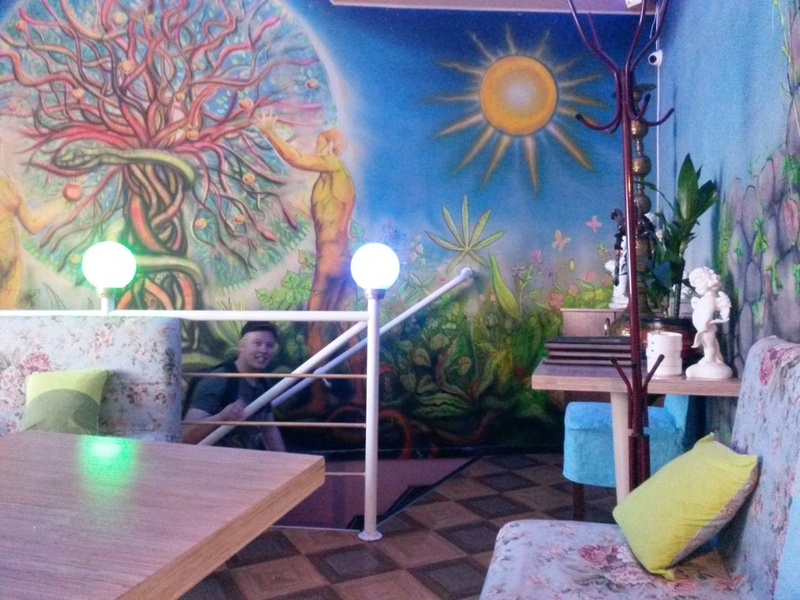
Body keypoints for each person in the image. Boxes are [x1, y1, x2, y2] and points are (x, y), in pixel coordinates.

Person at [253, 113, 360, 414]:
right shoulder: (332, 181)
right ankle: (361, 394)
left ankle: (318, 397)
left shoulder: (334, 165)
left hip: (329, 261)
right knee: (348, 325)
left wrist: (269, 132)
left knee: (313, 329)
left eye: (321, 144)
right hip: (343, 258)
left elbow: (296, 159)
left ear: (332, 147)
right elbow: (327, 217)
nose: (316, 149)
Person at [182, 321, 286, 450]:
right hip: (213, 461)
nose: (264, 350)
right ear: (241, 346)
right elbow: (185, 437)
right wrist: (221, 417)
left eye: (269, 345)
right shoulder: (218, 380)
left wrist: (285, 460)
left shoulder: (263, 382)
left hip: (245, 460)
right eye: (257, 343)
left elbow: (269, 429)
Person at [0, 177, 69, 308]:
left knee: (5, 313)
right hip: (9, 262)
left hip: (12, 265)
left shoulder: (9, 184)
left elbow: (33, 225)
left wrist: (64, 200)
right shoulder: (8, 185)